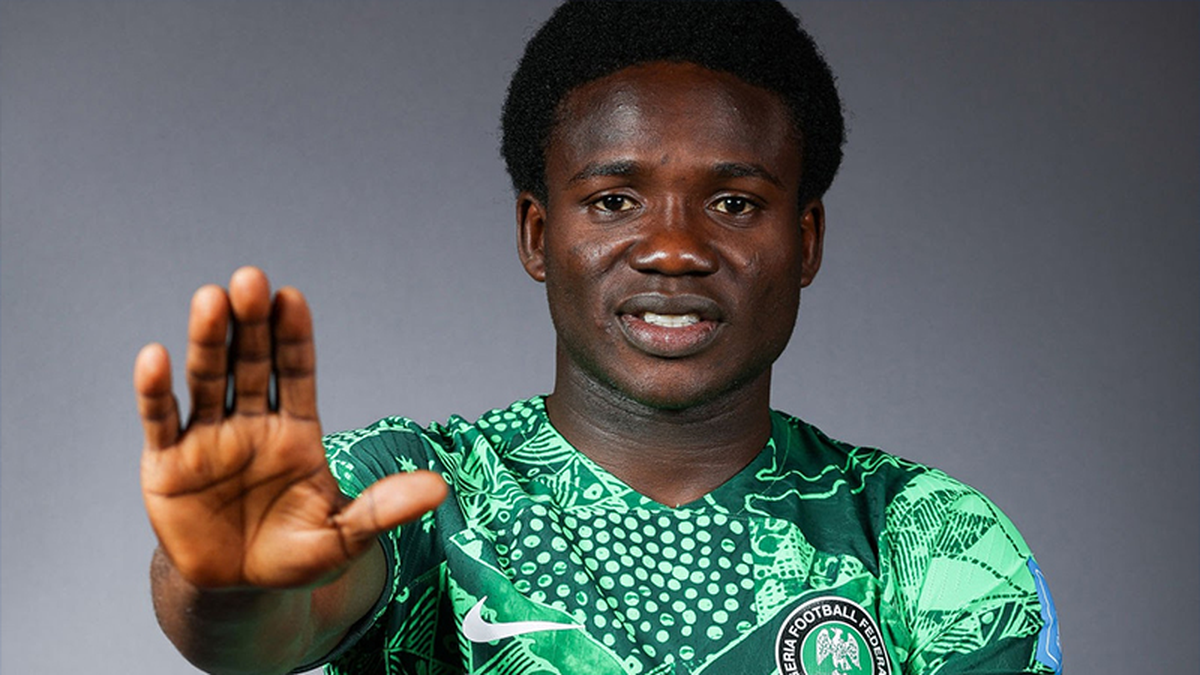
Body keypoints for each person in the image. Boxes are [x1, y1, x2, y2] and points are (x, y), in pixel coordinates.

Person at [135, 2, 1062, 674]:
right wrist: (224, 587)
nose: (673, 248)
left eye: (735, 203)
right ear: (539, 235)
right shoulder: (422, 492)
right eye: (615, 200)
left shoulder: (926, 535)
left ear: (806, 239)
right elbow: (278, 617)